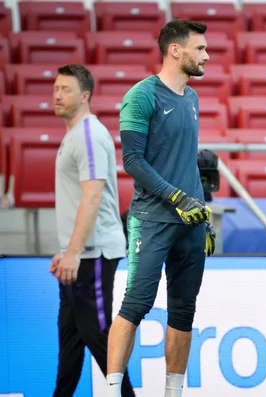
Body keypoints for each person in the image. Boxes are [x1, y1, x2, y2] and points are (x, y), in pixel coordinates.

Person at [106, 20, 215, 397]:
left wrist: (200, 208)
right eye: (199, 48)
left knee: (184, 312)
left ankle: (173, 394)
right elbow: (133, 162)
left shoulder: (193, 98)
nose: (206, 55)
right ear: (175, 50)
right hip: (151, 220)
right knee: (134, 306)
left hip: (190, 221)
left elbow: (186, 163)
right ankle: (110, 391)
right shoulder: (141, 96)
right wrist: (175, 197)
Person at [50, 64, 135, 397]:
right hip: (79, 253)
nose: (57, 95)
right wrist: (66, 250)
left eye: (66, 89)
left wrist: (73, 252)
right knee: (70, 338)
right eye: (55, 88)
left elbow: (93, 195)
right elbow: (77, 201)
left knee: (99, 335)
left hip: (93, 254)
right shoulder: (74, 134)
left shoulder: (88, 134)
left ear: (85, 96)